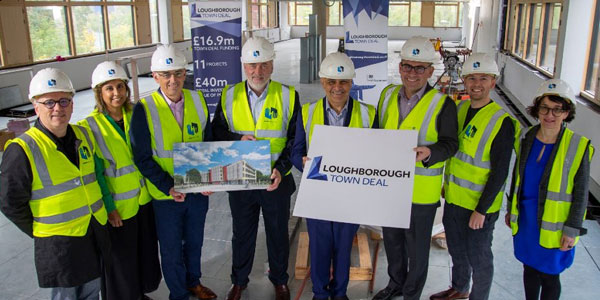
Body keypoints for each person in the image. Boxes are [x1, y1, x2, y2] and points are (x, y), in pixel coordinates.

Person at [0, 68, 110, 300]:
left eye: (64, 101)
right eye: (49, 102)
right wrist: (42, 231)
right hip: (58, 246)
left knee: (92, 292)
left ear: (72, 103)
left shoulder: (83, 135)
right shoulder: (23, 149)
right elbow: (10, 203)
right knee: (66, 297)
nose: (58, 108)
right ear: (35, 105)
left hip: (92, 233)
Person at [212, 36, 300, 300]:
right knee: (242, 233)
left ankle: (279, 280)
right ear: (243, 66)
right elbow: (216, 131)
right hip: (241, 179)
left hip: (275, 179)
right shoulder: (229, 95)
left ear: (272, 65)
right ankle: (239, 281)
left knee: (277, 233)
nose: (257, 71)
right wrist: (238, 140)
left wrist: (281, 169)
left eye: (263, 65)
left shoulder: (288, 95)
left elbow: (296, 140)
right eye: (252, 65)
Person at [373, 36, 459, 300]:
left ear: (430, 71)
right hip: (390, 187)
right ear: (400, 67)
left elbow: (450, 143)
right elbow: (377, 133)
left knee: (417, 248)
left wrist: (430, 152)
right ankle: (395, 284)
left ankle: (411, 294)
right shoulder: (387, 95)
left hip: (421, 192)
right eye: (408, 66)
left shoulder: (442, 103)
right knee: (393, 242)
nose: (412, 73)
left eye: (420, 68)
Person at [430, 53, 520, 300]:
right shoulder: (459, 110)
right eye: (471, 78)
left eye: (483, 78)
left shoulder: (501, 122)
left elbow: (500, 172)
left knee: (479, 257)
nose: (476, 84)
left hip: (480, 207)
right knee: (457, 251)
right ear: (464, 81)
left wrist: (481, 210)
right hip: (455, 199)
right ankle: (460, 289)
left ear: (493, 82)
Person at [130, 44, 216, 300]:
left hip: (197, 191)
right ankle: (178, 294)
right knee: (170, 249)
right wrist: (169, 185)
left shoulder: (197, 99)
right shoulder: (144, 108)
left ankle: (193, 283)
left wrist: (210, 176)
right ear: (155, 76)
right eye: (166, 74)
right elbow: (142, 158)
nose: (173, 80)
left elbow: (208, 144)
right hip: (166, 196)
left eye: (178, 73)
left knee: (195, 243)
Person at [291, 52, 377, 300]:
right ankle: (320, 293)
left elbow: (376, 154)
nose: (337, 88)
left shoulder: (368, 114)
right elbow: (296, 151)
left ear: (352, 82)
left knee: (342, 247)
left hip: (349, 195)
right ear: (322, 81)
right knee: (319, 247)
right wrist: (303, 162)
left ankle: (339, 293)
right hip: (317, 194)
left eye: (343, 82)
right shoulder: (307, 112)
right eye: (331, 81)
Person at [78, 61, 162, 300]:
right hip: (118, 208)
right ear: (99, 93)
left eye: (120, 86)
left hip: (144, 200)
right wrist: (109, 207)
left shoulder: (137, 114)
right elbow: (95, 174)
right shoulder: (90, 127)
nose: (116, 93)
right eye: (109, 88)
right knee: (121, 261)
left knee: (143, 253)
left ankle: (137, 294)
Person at [505, 79, 594, 300]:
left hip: (554, 225)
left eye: (557, 109)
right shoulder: (526, 137)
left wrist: (572, 229)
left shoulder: (577, 145)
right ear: (537, 108)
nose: (550, 115)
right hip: (526, 219)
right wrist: (510, 209)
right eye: (544, 107)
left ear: (567, 113)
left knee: (550, 275)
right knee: (529, 269)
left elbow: (581, 193)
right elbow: (517, 179)